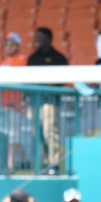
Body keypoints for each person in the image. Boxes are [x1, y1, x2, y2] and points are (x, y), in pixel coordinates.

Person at [26, 27, 69, 174]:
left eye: (40, 38)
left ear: (49, 40)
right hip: (35, 101)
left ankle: (53, 164)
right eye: (36, 37)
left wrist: (50, 84)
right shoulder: (32, 58)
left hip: (51, 101)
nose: (36, 40)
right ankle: (41, 164)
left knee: (50, 132)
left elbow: (63, 79)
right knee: (36, 133)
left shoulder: (59, 58)